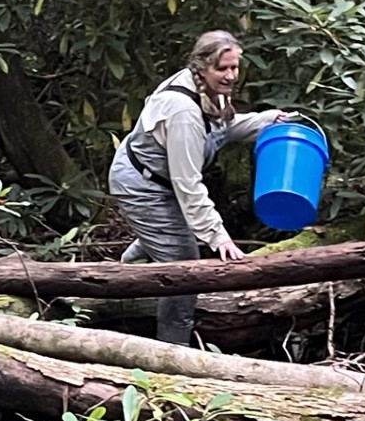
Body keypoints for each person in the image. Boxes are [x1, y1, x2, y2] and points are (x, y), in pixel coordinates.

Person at [108, 31, 288, 346]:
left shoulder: (210, 90)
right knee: (184, 268)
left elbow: (223, 128)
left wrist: (268, 121)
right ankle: (172, 350)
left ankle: (125, 276)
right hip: (142, 185)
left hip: (162, 181)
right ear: (202, 67)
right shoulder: (184, 112)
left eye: (234, 67)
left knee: (173, 237)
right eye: (223, 69)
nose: (230, 76)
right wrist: (219, 237)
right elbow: (188, 184)